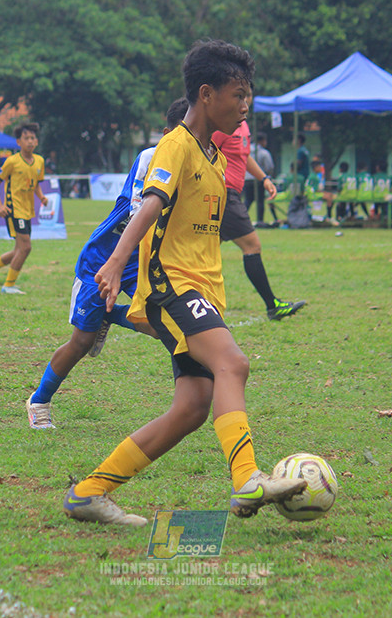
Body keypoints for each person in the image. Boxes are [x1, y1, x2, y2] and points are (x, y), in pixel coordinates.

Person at [62, 39, 307, 526]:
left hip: (201, 289)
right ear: (206, 94)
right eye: (238, 95)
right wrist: (115, 262)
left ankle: (88, 493)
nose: (246, 106)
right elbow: (150, 204)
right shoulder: (175, 145)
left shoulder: (213, 154)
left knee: (193, 407)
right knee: (233, 364)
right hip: (171, 286)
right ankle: (247, 478)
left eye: (248, 96)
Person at [25, 100, 187, 430]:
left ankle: (110, 315)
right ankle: (39, 401)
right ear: (167, 134)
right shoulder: (150, 158)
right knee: (81, 343)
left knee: (165, 325)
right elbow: (140, 212)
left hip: (143, 260)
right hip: (105, 257)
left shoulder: (197, 163)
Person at [212, 95, 305, 321]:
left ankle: (180, 297)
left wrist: (264, 178)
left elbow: (244, 157)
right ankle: (272, 305)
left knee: (205, 251)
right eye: (238, 94)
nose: (244, 99)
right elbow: (205, 151)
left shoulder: (242, 124)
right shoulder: (223, 123)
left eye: (247, 94)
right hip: (224, 194)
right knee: (252, 245)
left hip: (232, 194)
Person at [0, 123, 50, 294]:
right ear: (18, 142)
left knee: (18, 250)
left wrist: (41, 197)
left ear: (37, 141)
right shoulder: (12, 161)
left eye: (33, 138)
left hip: (27, 210)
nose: (30, 141)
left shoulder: (39, 161)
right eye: (26, 138)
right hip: (13, 209)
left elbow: (36, 184)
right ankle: (8, 285)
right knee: (26, 248)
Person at [248, 132, 273, 227]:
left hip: (247, 179)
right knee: (260, 201)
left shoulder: (247, 149)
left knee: (247, 201)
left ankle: (239, 219)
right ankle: (260, 220)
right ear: (262, 141)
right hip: (259, 179)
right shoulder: (264, 153)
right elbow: (269, 167)